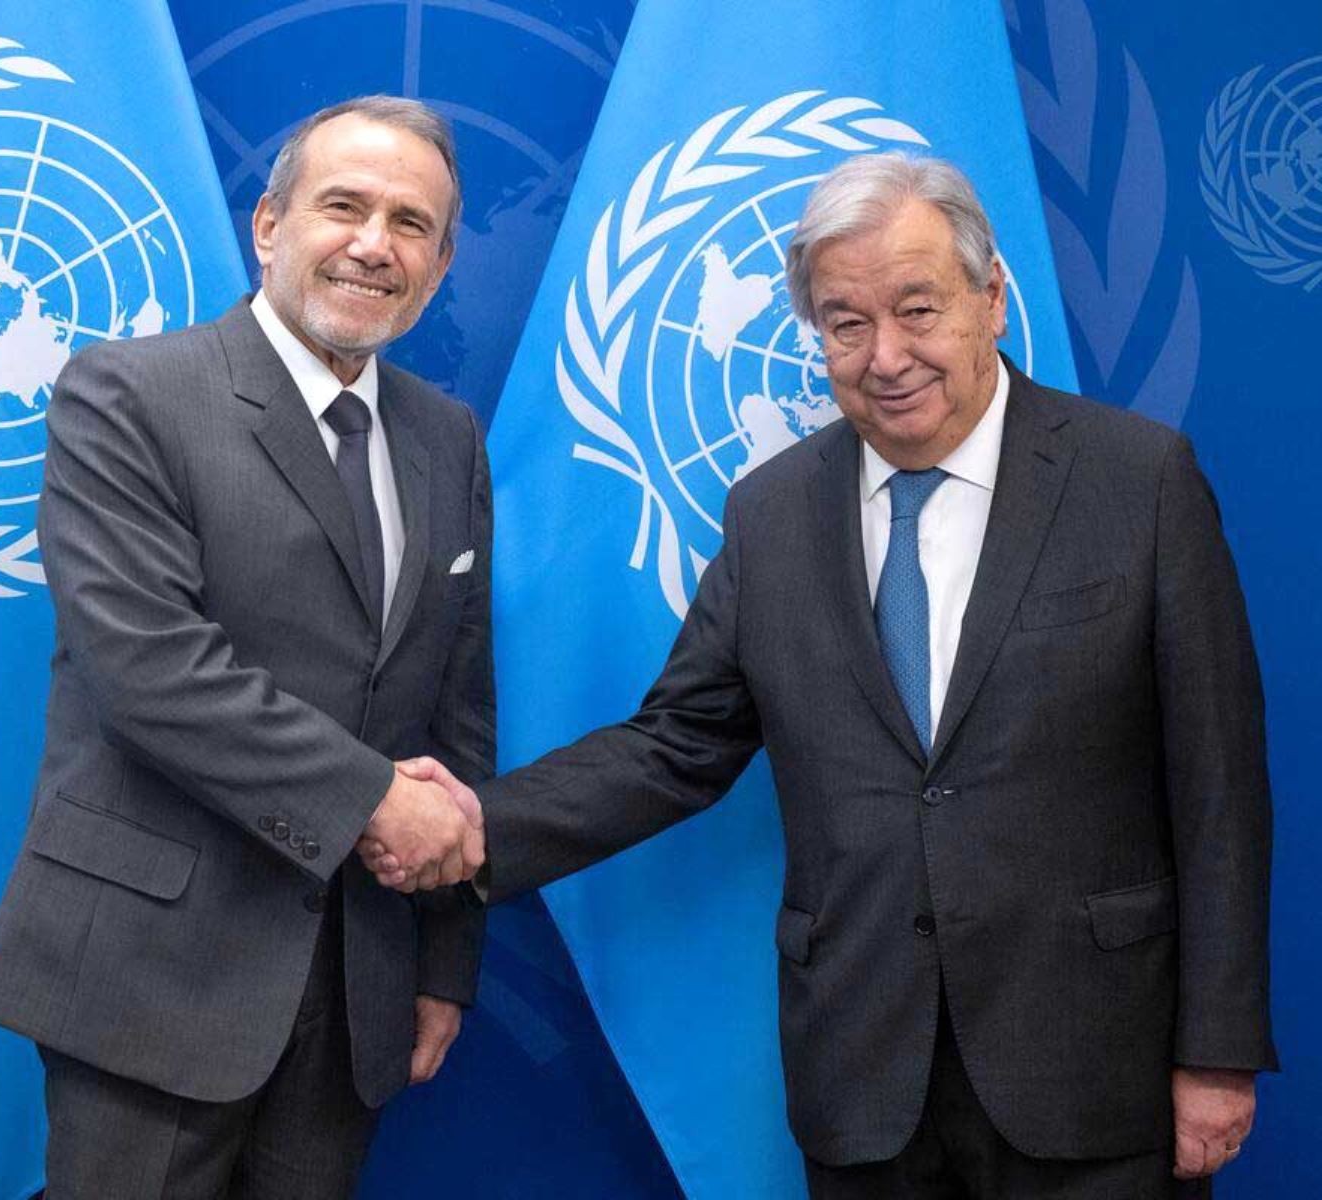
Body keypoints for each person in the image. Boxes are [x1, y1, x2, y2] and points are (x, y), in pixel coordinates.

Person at [374, 153, 1276, 1198]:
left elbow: (1219, 788)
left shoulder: (1140, 480)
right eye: (846, 323)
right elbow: (675, 747)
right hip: (866, 1078)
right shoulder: (774, 513)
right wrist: (478, 827)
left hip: (1092, 1068)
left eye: (917, 309)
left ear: (990, 301)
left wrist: (1217, 1049)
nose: (884, 355)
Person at [0, 95, 493, 1199]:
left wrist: (442, 958)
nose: (372, 244)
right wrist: (372, 803)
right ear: (269, 224)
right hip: (152, 974)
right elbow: (149, 667)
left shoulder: (448, 440)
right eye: (343, 205)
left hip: (356, 987)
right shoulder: (130, 392)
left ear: (440, 266)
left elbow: (454, 711)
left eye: (410, 224)